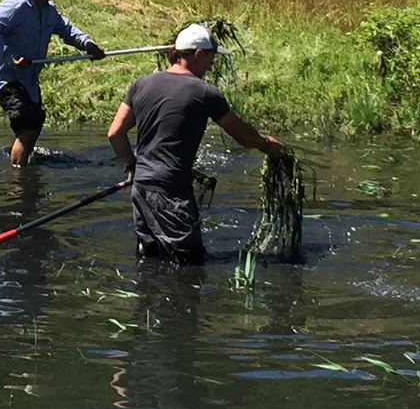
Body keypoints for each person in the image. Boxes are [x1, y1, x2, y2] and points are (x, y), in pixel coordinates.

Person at [108, 23, 287, 263]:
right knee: (189, 264)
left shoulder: (141, 84)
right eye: (210, 59)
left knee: (150, 260)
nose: (212, 65)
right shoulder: (205, 92)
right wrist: (267, 145)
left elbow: (115, 133)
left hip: (141, 189)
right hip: (171, 193)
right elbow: (240, 133)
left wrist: (132, 166)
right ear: (198, 54)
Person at [0, 0, 105, 168]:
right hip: (9, 80)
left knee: (36, 121)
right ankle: (20, 181)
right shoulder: (16, 6)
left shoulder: (48, 10)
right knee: (28, 127)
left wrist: (89, 45)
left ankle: (23, 163)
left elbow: (67, 30)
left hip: (29, 80)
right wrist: (10, 57)